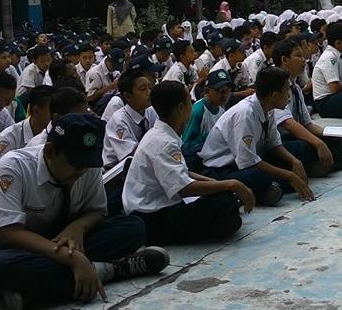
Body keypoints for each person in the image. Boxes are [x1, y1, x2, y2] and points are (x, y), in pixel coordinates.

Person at [0, 113, 168, 310]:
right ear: (49, 151)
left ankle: (34, 290)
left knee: (133, 227)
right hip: (10, 245)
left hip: (60, 236)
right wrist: (75, 259)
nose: (81, 172)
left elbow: (96, 211)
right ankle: (110, 270)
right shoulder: (13, 167)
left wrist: (78, 227)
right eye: (75, 165)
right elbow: (9, 233)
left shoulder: (87, 166)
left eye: (86, 165)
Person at [122, 81, 253, 245]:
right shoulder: (164, 142)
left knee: (221, 196)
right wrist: (231, 184)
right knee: (224, 199)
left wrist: (213, 182)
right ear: (181, 108)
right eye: (189, 103)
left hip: (156, 208)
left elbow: (180, 172)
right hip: (153, 217)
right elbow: (183, 189)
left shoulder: (161, 134)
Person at [198, 67, 311, 205]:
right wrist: (289, 175)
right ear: (274, 96)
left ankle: (270, 188)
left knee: (298, 148)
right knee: (259, 176)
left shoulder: (269, 108)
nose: (288, 95)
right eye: (286, 90)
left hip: (250, 158)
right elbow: (248, 162)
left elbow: (273, 144)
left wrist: (294, 161)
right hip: (224, 169)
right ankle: (263, 190)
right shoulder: (245, 114)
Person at [270, 39, 342, 174]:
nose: (304, 60)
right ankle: (339, 159)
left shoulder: (295, 88)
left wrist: (328, 134)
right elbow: (288, 124)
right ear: (284, 60)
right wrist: (319, 143)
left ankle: (329, 162)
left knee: (336, 137)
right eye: (298, 56)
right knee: (303, 147)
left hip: (296, 134)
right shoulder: (276, 86)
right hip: (281, 140)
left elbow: (307, 124)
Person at [102, 69, 157, 169]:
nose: (149, 92)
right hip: (116, 170)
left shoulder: (151, 110)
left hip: (142, 164)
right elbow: (133, 155)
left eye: (150, 87)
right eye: (143, 89)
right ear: (127, 96)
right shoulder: (119, 120)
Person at [0, 85, 54, 168]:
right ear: (36, 110)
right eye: (53, 110)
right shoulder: (8, 138)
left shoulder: (54, 133)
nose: (56, 114)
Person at [180, 69, 233, 168]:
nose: (225, 95)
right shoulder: (198, 111)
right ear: (208, 90)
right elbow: (186, 147)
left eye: (228, 90)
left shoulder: (222, 109)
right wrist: (209, 137)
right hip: (199, 163)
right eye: (220, 91)